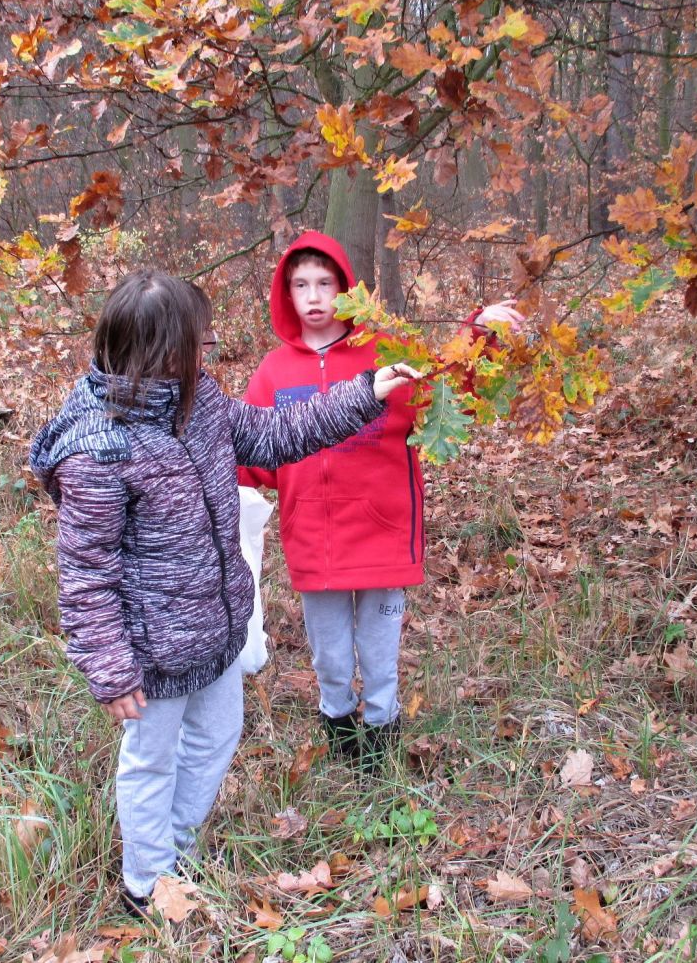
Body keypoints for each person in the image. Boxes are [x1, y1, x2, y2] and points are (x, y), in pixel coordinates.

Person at [28, 270, 419, 915]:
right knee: (151, 760)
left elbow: (274, 433)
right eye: (199, 343)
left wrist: (363, 393)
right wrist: (110, 668)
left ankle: (176, 853)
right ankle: (146, 884)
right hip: (151, 651)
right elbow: (85, 573)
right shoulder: (100, 450)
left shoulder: (198, 401)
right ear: (162, 352)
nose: (207, 352)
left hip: (216, 627)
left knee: (217, 736)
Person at [239, 232, 523, 771]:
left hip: (382, 533)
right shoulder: (274, 372)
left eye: (325, 283)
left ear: (347, 288)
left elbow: (448, 387)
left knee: (378, 652)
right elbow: (249, 452)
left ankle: (381, 739)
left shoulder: (385, 353)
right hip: (313, 542)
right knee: (329, 655)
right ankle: (340, 731)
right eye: (300, 285)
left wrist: (480, 332)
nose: (314, 296)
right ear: (285, 293)